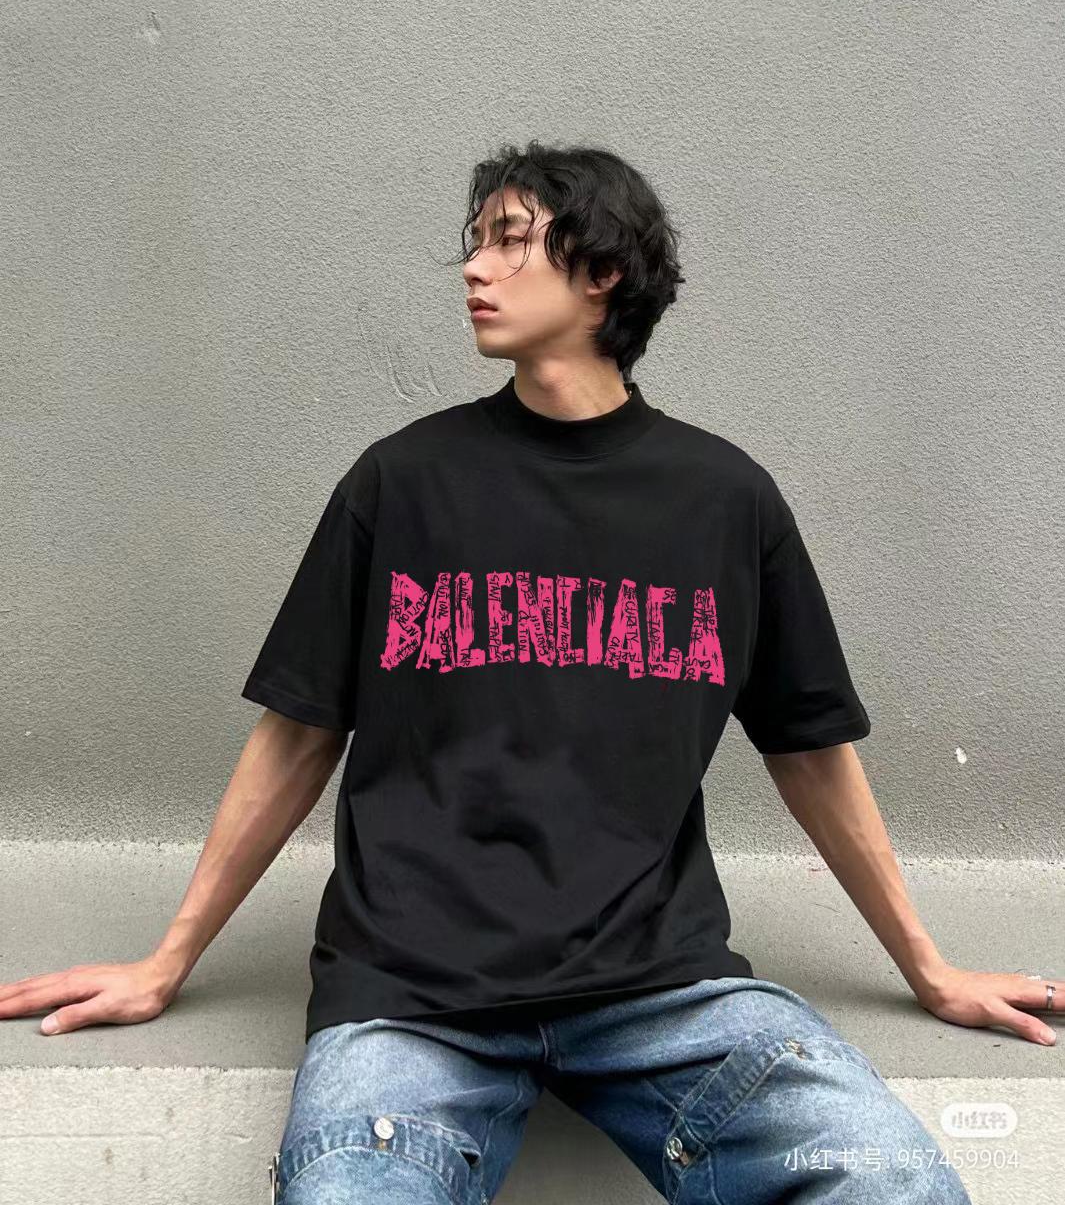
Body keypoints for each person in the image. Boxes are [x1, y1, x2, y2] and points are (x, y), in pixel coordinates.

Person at [4, 142, 1058, 1204]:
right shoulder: (401, 482)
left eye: (509, 240)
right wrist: (165, 962)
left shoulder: (724, 500)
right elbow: (296, 735)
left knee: (894, 1185)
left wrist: (931, 968)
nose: (474, 266)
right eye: (475, 242)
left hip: (663, 994)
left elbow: (812, 752)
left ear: (602, 272)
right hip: (408, 1001)